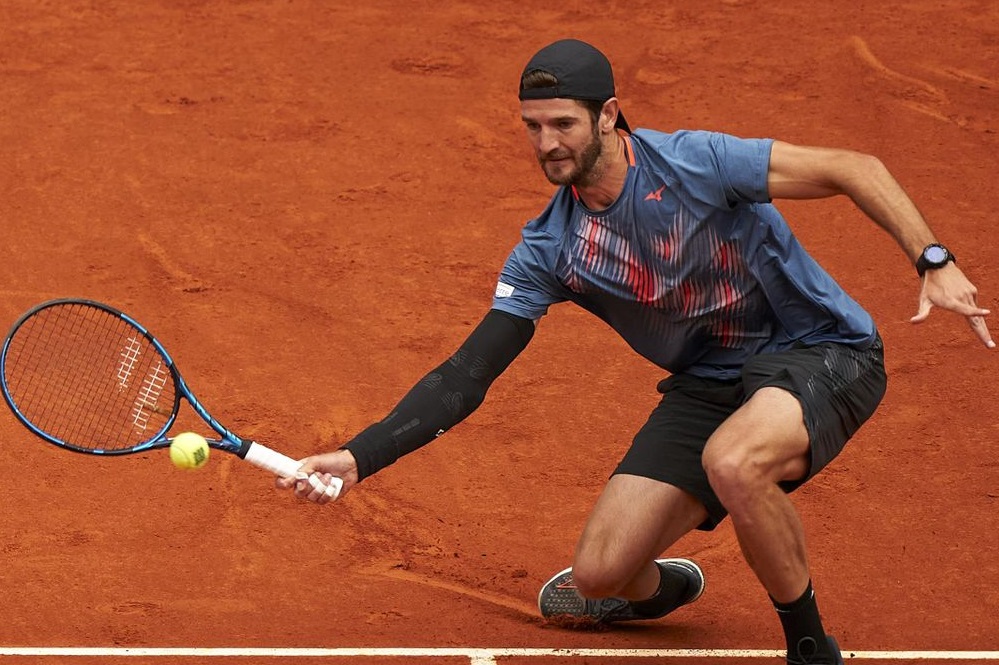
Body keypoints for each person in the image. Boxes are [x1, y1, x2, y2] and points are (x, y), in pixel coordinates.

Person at [277, 38, 993, 665]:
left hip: (821, 349)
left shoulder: (697, 164)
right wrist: (361, 455)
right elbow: (467, 374)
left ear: (608, 116)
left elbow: (853, 167)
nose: (546, 143)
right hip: (710, 383)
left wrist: (931, 258)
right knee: (597, 576)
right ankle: (662, 587)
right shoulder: (549, 249)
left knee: (733, 462)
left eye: (562, 123)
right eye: (532, 127)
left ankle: (809, 647)